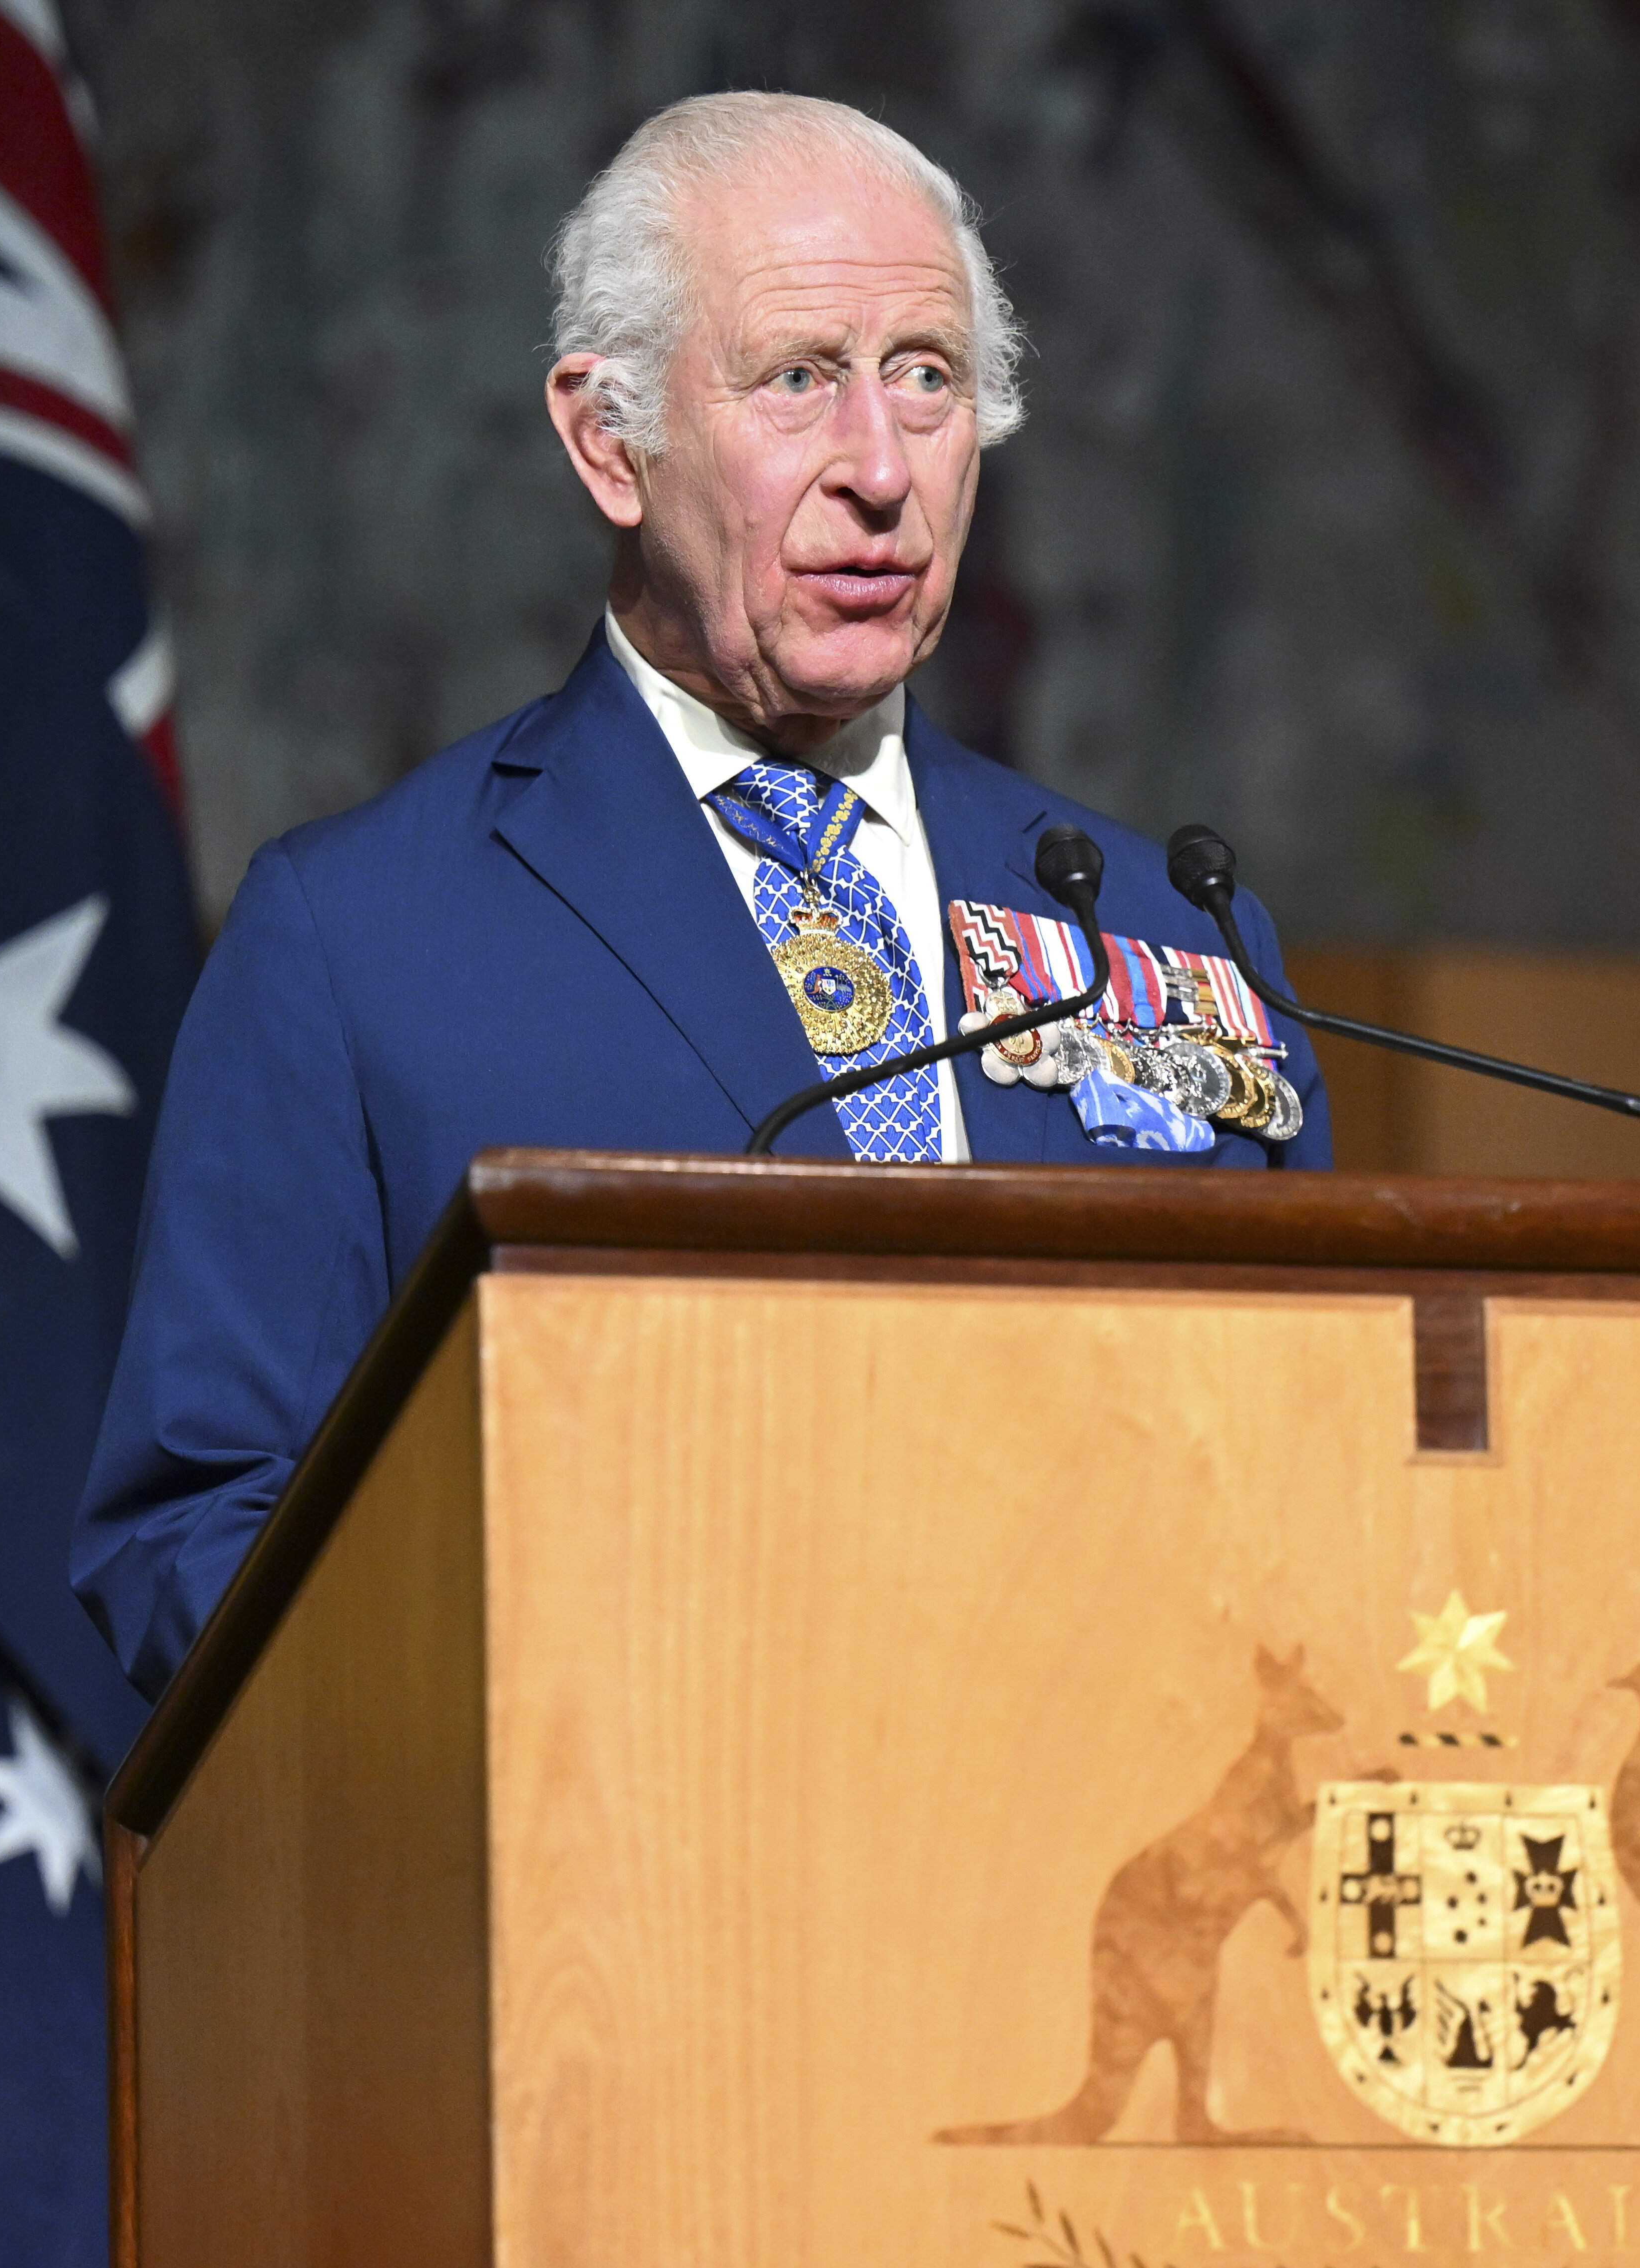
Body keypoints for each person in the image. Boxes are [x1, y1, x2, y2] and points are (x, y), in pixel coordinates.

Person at [71, 92, 1331, 1694]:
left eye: (927, 380)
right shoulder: (360, 938)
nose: (880, 469)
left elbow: (1308, 1474)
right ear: (611, 442)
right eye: (798, 379)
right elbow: (198, 1534)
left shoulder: (1158, 928)